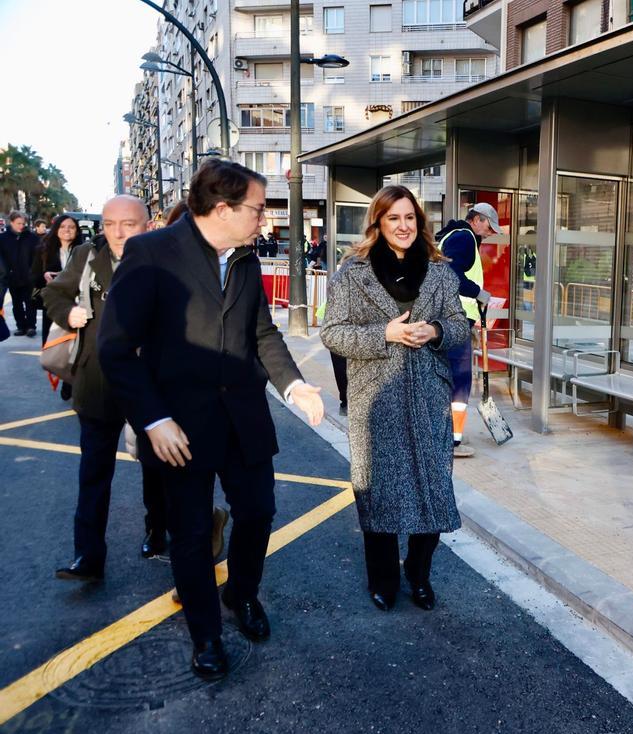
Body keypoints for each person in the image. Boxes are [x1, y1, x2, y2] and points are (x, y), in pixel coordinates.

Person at [99, 160, 325, 679]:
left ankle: (241, 594)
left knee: (259, 512)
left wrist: (293, 384)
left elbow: (262, 332)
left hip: (243, 417)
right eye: (257, 208)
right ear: (222, 208)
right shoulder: (151, 253)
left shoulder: (244, 258)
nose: (263, 219)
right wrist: (153, 419)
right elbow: (116, 349)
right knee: (193, 532)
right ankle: (205, 634)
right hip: (178, 426)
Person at [321, 185, 470, 613]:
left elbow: (459, 324)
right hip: (375, 400)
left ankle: (419, 574)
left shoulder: (441, 272)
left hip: (428, 396)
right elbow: (332, 332)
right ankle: (383, 579)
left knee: (434, 489)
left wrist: (436, 331)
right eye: (393, 218)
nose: (403, 226)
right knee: (377, 493)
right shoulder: (353, 272)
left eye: (410, 217)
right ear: (379, 223)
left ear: (419, 222)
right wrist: (383, 334)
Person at [42, 197, 174, 580]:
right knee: (93, 473)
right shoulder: (86, 256)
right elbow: (53, 294)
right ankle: (88, 555)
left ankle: (156, 529)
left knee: (155, 465)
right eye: (109, 223)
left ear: (147, 225)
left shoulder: (162, 258)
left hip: (147, 381)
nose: (117, 232)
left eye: (128, 224)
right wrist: (68, 314)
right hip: (96, 380)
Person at [434, 203, 501, 457]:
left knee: (446, 379)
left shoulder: (453, 236)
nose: (490, 233)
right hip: (455, 320)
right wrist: (478, 293)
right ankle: (452, 441)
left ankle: (444, 435)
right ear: (477, 220)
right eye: (489, 227)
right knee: (460, 382)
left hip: (446, 319)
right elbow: (451, 274)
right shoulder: (464, 238)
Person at [32, 214, 81, 343]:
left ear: (77, 230)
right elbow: (34, 276)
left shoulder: (85, 251)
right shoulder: (43, 250)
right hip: (52, 302)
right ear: (56, 229)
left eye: (71, 227)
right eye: (63, 226)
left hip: (78, 303)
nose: (67, 230)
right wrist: (45, 276)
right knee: (52, 341)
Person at [0, 211, 40, 336]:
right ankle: (21, 326)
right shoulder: (3, 238)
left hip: (29, 277)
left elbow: (38, 256)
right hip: (11, 277)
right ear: (11, 222)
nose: (21, 226)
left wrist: (34, 272)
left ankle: (30, 326)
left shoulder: (32, 238)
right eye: (18, 223)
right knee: (16, 304)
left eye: (23, 223)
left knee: (30, 303)